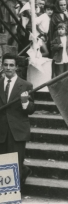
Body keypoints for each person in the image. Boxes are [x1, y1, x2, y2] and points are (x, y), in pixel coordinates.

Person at [0, 53, 35, 188]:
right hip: (1, 129)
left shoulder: (26, 85)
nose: (8, 68)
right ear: (2, 66)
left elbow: (32, 108)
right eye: (6, 65)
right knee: (3, 161)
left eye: (11, 65)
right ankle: (8, 191)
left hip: (18, 130)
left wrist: (25, 103)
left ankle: (10, 195)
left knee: (15, 161)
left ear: (16, 67)